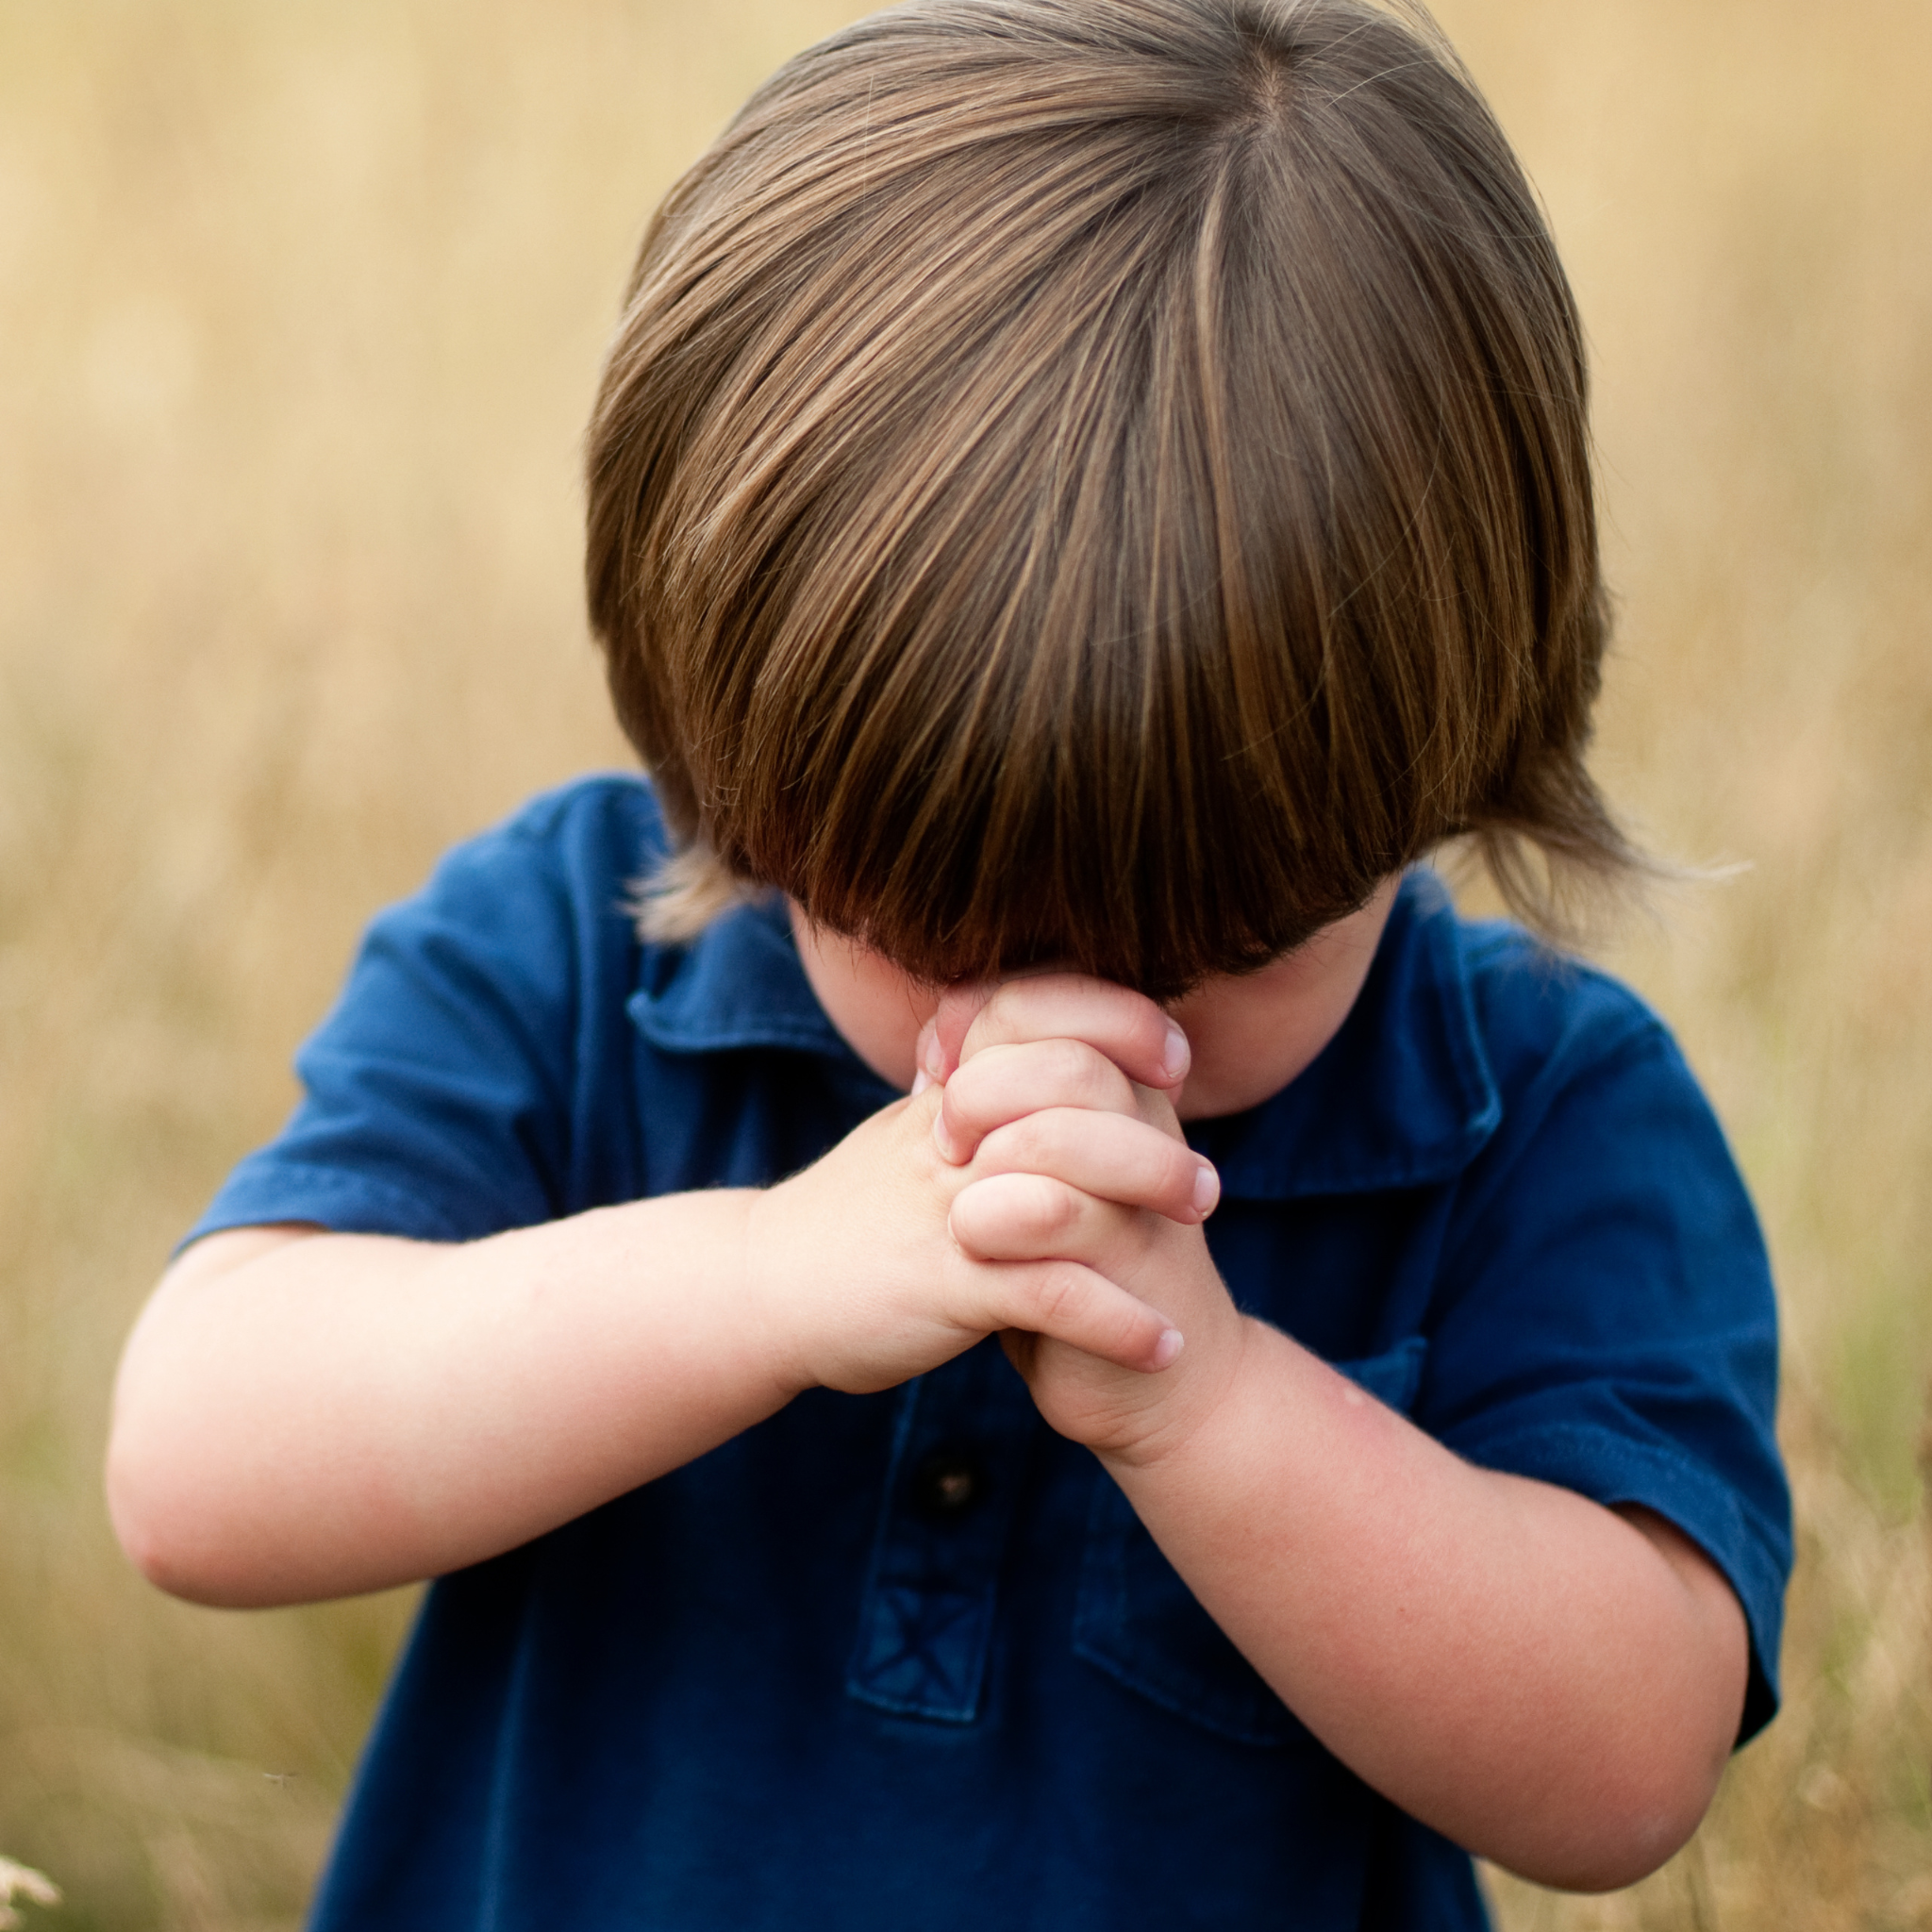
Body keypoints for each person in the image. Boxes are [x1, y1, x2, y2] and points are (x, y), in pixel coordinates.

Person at [105, 2, 1791, 1926]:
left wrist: (1208, 1401)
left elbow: (1622, 1766)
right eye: (917, 931)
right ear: (732, 764)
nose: (1064, 1026)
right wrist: (760, 1278)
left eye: (1216, 951)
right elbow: (196, 1461)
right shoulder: (574, 954)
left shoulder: (1532, 1113)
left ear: (1443, 764)